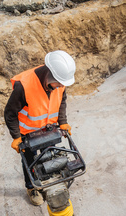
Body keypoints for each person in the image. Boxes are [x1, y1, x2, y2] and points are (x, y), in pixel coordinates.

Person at [4, 50, 76, 206]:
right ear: (50, 76)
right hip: (28, 133)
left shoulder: (59, 82)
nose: (62, 86)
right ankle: (32, 188)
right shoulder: (24, 86)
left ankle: (51, 179)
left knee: (50, 155)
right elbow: (10, 113)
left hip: (49, 129)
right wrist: (16, 137)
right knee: (29, 161)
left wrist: (62, 121)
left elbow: (62, 100)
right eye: (59, 83)